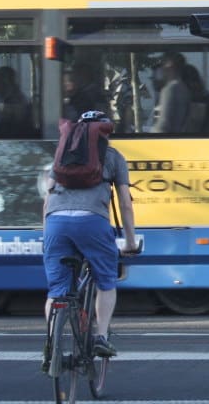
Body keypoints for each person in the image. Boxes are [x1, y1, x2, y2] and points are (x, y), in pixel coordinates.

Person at [42, 110, 140, 363]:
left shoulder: (63, 155)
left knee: (56, 291)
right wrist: (130, 241)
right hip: (92, 222)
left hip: (56, 222)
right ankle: (101, 337)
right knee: (106, 280)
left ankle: (51, 347)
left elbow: (48, 196)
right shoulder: (114, 156)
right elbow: (125, 204)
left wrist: (48, 232)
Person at [151, 52, 190, 133]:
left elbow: (164, 124)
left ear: (169, 65)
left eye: (161, 65)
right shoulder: (183, 88)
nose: (160, 70)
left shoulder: (170, 89)